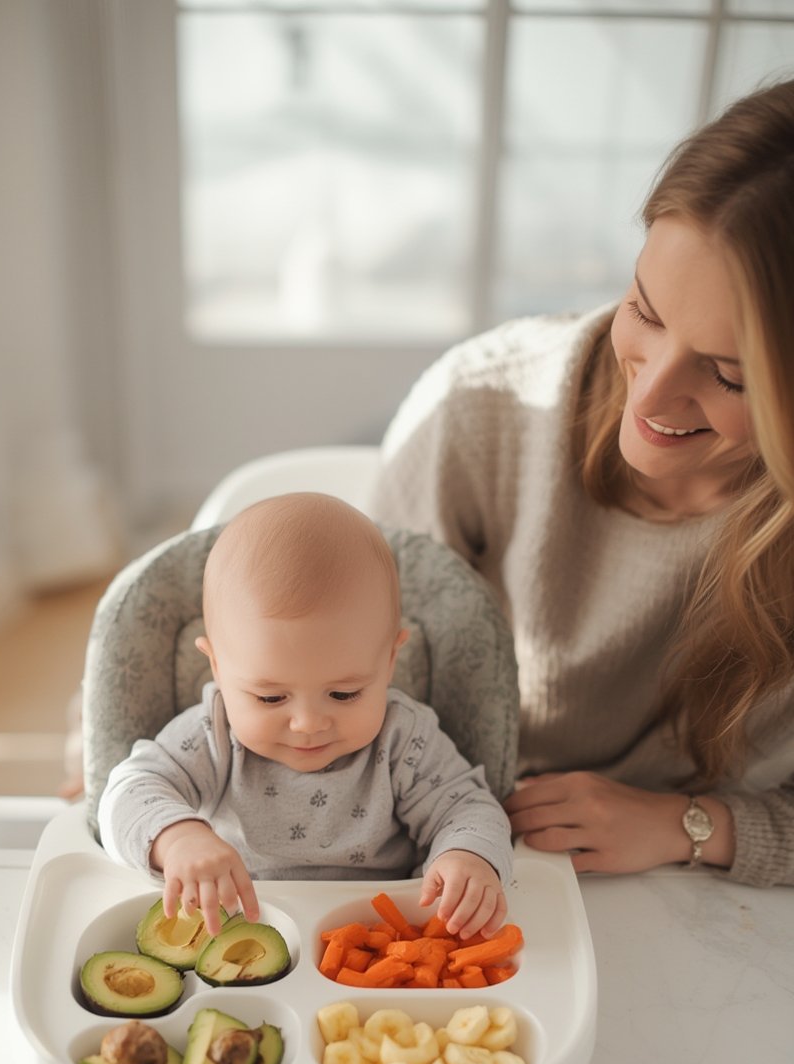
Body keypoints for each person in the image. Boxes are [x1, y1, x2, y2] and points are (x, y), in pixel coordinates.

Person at [369, 77, 794, 888]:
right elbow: (335, 684)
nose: (652, 395)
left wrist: (689, 824)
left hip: (693, 893)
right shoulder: (482, 406)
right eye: (646, 310)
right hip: (445, 846)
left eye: (729, 375)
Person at [97, 492, 513, 935]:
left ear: (390, 661)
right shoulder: (211, 734)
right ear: (216, 667)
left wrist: (467, 857)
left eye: (344, 693)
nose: (308, 724)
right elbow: (127, 792)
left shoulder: (403, 739)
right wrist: (178, 839)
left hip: (381, 937)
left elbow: (467, 807)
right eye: (271, 698)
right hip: (236, 930)